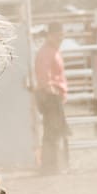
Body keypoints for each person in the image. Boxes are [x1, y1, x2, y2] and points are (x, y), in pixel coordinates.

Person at [34, 22, 69, 174]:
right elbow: (44, 77)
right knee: (52, 131)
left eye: (62, 34)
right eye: (58, 35)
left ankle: (52, 165)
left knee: (53, 131)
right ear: (50, 35)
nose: (61, 38)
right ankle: (51, 166)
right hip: (50, 96)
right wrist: (53, 92)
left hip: (52, 95)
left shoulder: (51, 51)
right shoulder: (47, 52)